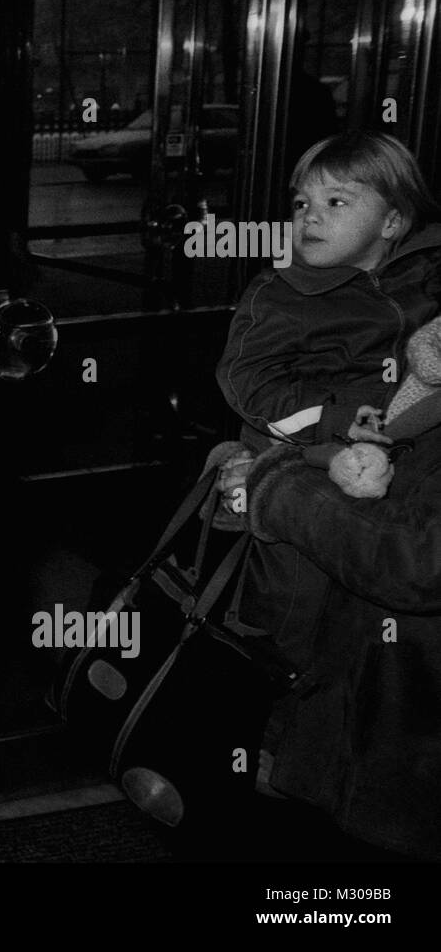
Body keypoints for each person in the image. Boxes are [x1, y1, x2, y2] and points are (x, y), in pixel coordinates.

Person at [215, 131, 441, 669]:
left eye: (336, 202)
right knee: (295, 608)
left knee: (367, 620)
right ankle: (272, 695)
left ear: (391, 223)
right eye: (301, 204)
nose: (309, 217)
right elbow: (250, 383)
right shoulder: (281, 295)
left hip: (396, 464)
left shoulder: (424, 278)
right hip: (300, 456)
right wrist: (335, 421)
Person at [217, 346, 441, 859]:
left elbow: (416, 561)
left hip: (413, 738)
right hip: (370, 691)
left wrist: (279, 488)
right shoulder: (425, 344)